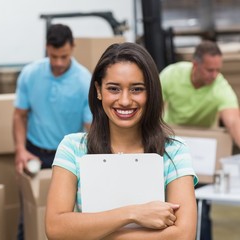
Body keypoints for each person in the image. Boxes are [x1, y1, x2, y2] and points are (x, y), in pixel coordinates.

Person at [45, 42, 198, 239]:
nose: (125, 100)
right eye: (114, 89)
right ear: (99, 90)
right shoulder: (73, 148)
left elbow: (183, 235)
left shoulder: (174, 151)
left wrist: (94, 233)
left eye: (136, 89)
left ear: (151, 93)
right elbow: (55, 228)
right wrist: (133, 213)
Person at [13, 23, 92, 240]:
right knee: (28, 214)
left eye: (63, 56)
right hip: (34, 155)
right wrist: (20, 149)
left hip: (69, 157)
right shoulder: (30, 74)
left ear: (72, 48)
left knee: (68, 216)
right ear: (46, 48)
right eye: (53, 56)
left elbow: (91, 127)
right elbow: (19, 115)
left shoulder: (85, 80)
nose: (58, 63)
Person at [159, 40, 239, 240]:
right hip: (172, 144)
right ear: (195, 65)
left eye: (218, 70)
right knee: (169, 205)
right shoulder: (172, 74)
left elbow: (233, 122)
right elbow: (154, 109)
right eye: (210, 70)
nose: (215, 75)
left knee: (200, 205)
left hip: (203, 152)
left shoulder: (219, 86)